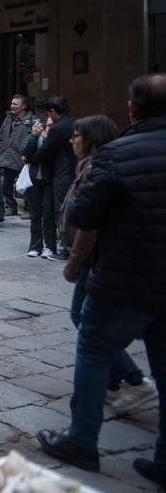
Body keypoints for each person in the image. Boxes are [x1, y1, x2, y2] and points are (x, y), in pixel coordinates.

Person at [37, 74, 166, 487]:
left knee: (93, 351)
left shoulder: (116, 154)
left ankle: (82, 441)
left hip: (124, 276)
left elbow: (82, 217)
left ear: (132, 109)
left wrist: (75, 261)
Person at [61, 115, 156, 418]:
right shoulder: (94, 165)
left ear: (90, 139)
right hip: (110, 260)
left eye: (76, 136)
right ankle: (120, 382)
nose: (72, 140)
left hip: (100, 259)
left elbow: (89, 223)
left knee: (88, 326)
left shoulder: (99, 168)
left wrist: (75, 260)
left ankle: (132, 381)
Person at [27, 96, 76, 260]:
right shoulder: (75, 122)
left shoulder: (58, 128)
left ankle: (66, 248)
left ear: (53, 112)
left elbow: (46, 151)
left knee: (60, 210)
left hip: (62, 172)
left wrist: (31, 158)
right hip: (72, 170)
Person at [22, 108, 59, 259]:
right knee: (35, 213)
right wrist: (33, 136)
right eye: (47, 125)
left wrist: (31, 158)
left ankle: (49, 246)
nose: (48, 129)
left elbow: (41, 157)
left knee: (48, 214)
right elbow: (24, 152)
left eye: (51, 126)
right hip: (34, 180)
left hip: (49, 180)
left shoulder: (55, 141)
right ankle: (34, 245)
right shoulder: (35, 137)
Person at [0, 95, 35, 215]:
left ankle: (29, 209)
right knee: (5, 183)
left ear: (23, 106)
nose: (12, 106)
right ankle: (11, 206)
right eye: (12, 104)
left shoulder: (32, 121)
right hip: (8, 156)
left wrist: (29, 154)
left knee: (27, 184)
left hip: (24, 158)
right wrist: (0, 150)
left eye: (15, 104)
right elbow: (1, 135)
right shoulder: (8, 119)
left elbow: (35, 139)